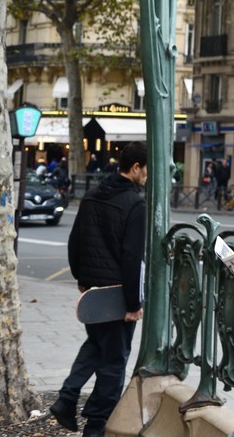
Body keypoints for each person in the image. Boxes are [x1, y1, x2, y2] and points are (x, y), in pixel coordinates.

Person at [50, 141, 149, 437]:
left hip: (95, 292)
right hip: (118, 296)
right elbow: (132, 257)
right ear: (135, 168)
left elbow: (74, 241)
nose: (147, 176)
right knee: (114, 362)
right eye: (146, 170)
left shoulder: (93, 195)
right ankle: (95, 426)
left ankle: (67, 398)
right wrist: (133, 304)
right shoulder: (135, 203)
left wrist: (82, 278)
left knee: (95, 346)